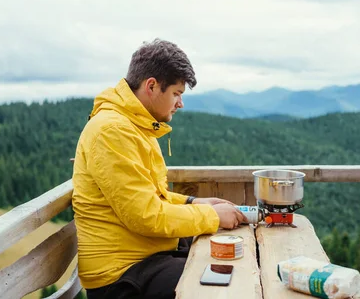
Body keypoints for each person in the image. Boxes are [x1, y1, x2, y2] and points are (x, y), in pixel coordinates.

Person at [72, 39, 247, 299]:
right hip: (120, 276)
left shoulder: (135, 125)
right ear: (151, 86)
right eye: (176, 93)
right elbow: (145, 215)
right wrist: (211, 216)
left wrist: (194, 201)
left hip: (144, 258)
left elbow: (151, 195)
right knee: (219, 287)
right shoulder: (112, 131)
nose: (180, 104)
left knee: (226, 268)